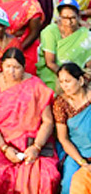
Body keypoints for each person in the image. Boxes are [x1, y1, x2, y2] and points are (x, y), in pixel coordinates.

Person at [0, 47, 61, 194]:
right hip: (0, 139)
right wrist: (4, 148)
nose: (12, 71)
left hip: (33, 140)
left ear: (24, 67)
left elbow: (48, 121)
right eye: (8, 67)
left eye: (16, 67)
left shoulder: (36, 85)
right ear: (1, 66)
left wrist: (36, 147)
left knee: (47, 175)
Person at [54, 62, 91, 194]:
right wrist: (82, 162)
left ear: (80, 80)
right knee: (68, 185)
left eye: (68, 81)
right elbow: (63, 139)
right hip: (76, 153)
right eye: (62, 82)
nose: (64, 85)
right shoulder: (60, 104)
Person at [39, 0, 91, 92]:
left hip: (78, 75)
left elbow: (88, 64)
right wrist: (67, 77)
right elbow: (50, 63)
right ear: (59, 17)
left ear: (78, 17)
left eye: (73, 18)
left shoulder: (86, 35)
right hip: (54, 74)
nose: (69, 22)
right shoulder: (50, 31)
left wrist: (79, 77)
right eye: (65, 18)